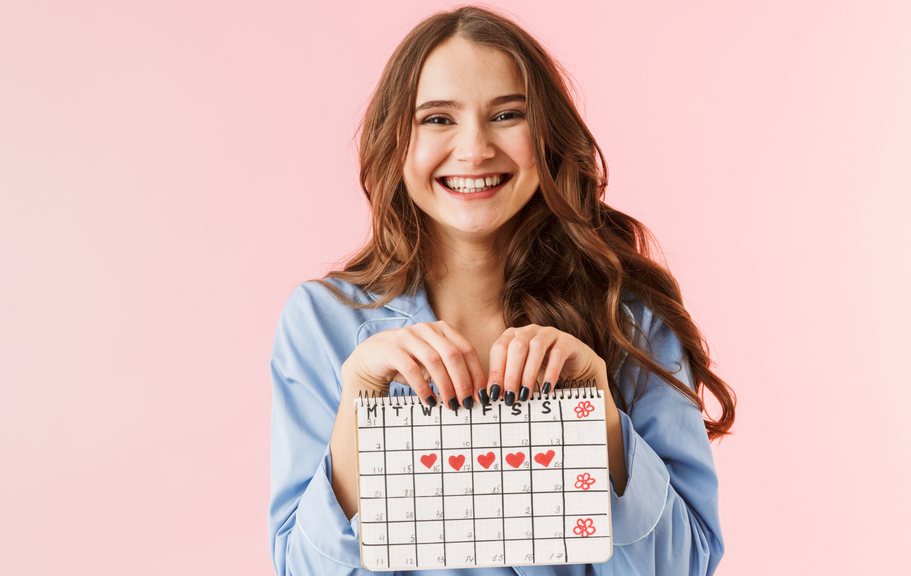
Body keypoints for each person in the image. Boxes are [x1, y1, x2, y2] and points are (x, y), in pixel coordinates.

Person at [268, 6, 735, 575]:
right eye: (437, 119)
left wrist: (600, 413)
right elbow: (301, 569)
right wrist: (358, 400)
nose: (474, 150)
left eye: (508, 115)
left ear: (547, 135)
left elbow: (686, 565)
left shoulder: (628, 315)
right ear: (395, 140)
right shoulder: (320, 323)